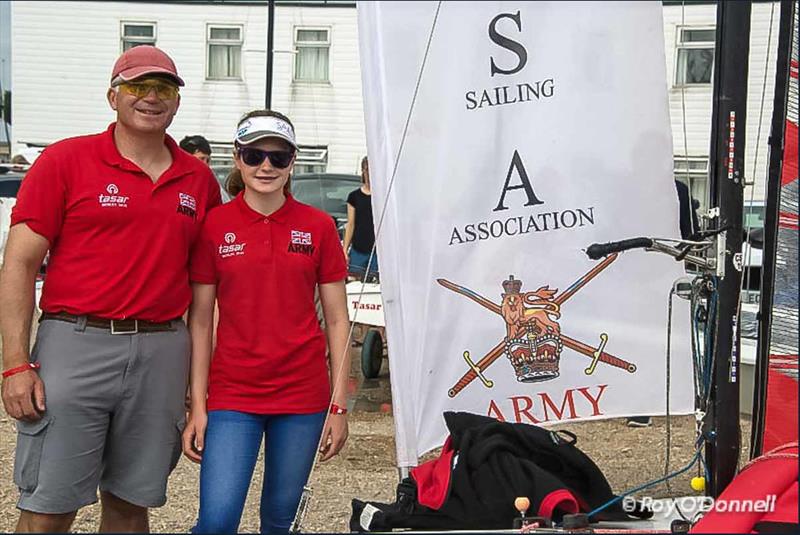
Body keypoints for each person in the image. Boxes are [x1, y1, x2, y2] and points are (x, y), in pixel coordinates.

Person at [0, 45, 221, 532]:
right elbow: (18, 264)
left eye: (163, 88)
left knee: (129, 502)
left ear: (177, 102)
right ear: (113, 97)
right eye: (138, 86)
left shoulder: (199, 180)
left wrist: (198, 384)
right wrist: (15, 364)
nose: (151, 97)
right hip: (76, 342)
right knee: (48, 505)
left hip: (163, 348)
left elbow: (205, 290)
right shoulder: (65, 161)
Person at [183, 110, 351, 534]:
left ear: (293, 162)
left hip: (302, 397)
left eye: (278, 158)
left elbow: (337, 322)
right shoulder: (213, 227)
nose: (266, 167)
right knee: (217, 520)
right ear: (238, 159)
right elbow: (200, 323)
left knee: (281, 521)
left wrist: (339, 405)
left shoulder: (318, 227)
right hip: (233, 395)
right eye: (255, 155)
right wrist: (197, 405)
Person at [627, 179, 700, 429]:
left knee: (659, 340)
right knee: (636, 340)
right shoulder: (624, 186)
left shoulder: (676, 189)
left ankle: (649, 405)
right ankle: (639, 404)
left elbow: (690, 234)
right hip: (633, 273)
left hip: (659, 273)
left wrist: (670, 258)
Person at [343, 156, 378, 278]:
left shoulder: (382, 197)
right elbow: (350, 224)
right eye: (367, 169)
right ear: (363, 171)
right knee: (354, 282)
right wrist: (345, 250)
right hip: (358, 249)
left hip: (377, 250)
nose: (369, 173)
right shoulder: (354, 196)